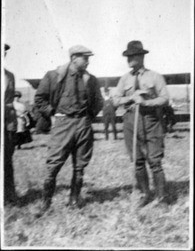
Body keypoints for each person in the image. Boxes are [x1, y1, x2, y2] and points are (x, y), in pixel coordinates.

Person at [34, 45, 103, 216]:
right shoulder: (54, 76)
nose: (88, 61)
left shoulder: (91, 79)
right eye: (85, 58)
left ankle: (74, 199)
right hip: (62, 123)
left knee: (80, 165)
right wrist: (52, 114)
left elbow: (98, 101)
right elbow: (39, 99)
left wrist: (88, 118)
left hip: (83, 124)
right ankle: (46, 202)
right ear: (73, 58)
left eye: (88, 58)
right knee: (54, 165)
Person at [113, 41, 169, 207]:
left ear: (141, 56)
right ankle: (145, 194)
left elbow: (165, 98)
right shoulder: (124, 78)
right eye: (127, 56)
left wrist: (145, 103)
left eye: (132, 56)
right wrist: (131, 98)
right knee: (137, 160)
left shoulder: (155, 76)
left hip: (151, 121)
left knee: (154, 161)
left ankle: (162, 198)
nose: (129, 59)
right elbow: (115, 100)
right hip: (131, 121)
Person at [4, 44, 17, 204]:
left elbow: (10, 103)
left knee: (6, 160)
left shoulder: (9, 76)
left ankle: (9, 196)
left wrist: (12, 126)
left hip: (6, 122)